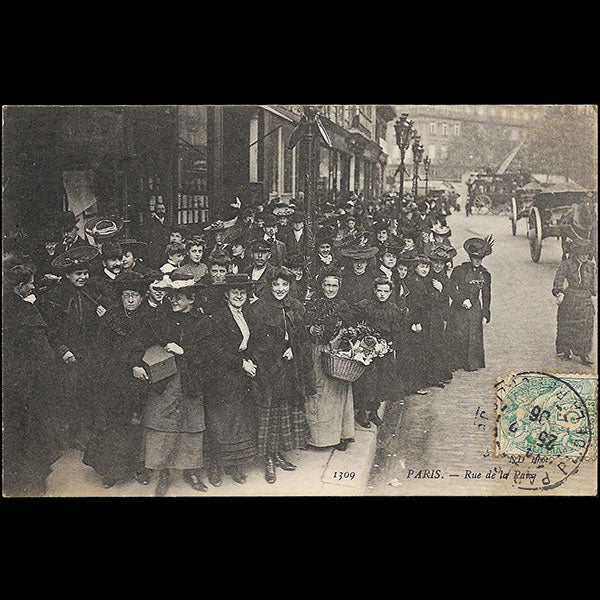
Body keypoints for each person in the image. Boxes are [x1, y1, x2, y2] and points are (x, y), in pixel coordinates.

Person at [129, 270, 213, 496]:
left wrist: (183, 350)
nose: (173, 300)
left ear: (191, 298)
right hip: (165, 381)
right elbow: (140, 341)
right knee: (161, 425)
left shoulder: (203, 322)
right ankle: (164, 472)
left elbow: (209, 354)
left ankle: (191, 471)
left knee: (191, 425)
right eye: (171, 295)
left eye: (179, 296)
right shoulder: (159, 318)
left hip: (191, 380)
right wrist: (135, 363)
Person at [82, 271, 151, 488]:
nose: (130, 300)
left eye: (135, 296)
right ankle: (111, 471)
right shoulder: (111, 317)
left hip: (141, 378)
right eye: (126, 295)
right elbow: (101, 349)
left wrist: (140, 365)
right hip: (115, 379)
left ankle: (138, 467)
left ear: (142, 297)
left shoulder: (150, 317)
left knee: (139, 425)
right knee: (114, 424)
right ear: (121, 297)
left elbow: (154, 346)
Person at [250, 267, 315, 483]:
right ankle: (268, 458)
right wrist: (277, 352)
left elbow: (303, 338)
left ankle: (278, 454)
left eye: (284, 285)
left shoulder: (295, 306)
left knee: (283, 412)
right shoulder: (259, 309)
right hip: (268, 369)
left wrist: (293, 348)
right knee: (268, 413)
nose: (280, 289)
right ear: (270, 285)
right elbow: (256, 343)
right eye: (276, 284)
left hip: (288, 370)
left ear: (290, 286)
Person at [38, 246, 106, 450]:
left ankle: (91, 436)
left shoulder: (92, 292)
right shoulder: (56, 296)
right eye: (78, 274)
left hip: (91, 353)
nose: (83, 277)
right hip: (69, 356)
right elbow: (50, 330)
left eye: (86, 273)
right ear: (67, 274)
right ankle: (73, 436)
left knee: (91, 393)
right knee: (70, 395)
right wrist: (63, 350)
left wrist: (103, 317)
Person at [2, 263, 62, 495]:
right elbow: (44, 353)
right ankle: (32, 485)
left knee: (12, 434)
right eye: (30, 283)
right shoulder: (27, 311)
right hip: (29, 383)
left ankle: (11, 484)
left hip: (9, 382)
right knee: (32, 433)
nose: (33, 286)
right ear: (19, 287)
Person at [204, 274, 259, 486]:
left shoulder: (248, 314)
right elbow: (215, 351)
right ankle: (215, 468)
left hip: (240, 377)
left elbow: (253, 343)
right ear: (226, 294)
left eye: (242, 292)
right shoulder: (217, 317)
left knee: (238, 423)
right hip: (221, 376)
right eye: (234, 291)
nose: (238, 295)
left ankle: (234, 465)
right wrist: (241, 363)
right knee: (220, 424)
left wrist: (250, 362)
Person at [304, 271, 356, 450]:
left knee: (337, 395)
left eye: (334, 286)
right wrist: (311, 330)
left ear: (339, 287)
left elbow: (350, 328)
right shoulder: (313, 304)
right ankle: (315, 437)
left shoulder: (343, 306)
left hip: (336, 356)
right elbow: (304, 325)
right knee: (317, 393)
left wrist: (341, 335)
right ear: (322, 286)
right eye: (327, 285)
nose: (330, 289)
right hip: (317, 353)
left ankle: (340, 435)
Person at [353, 277, 406, 427]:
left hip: (384, 350)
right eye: (379, 291)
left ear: (390, 293)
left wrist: (390, 344)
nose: (382, 294)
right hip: (367, 349)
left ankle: (374, 411)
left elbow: (397, 331)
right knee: (367, 382)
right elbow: (355, 320)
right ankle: (362, 412)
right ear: (374, 291)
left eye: (386, 291)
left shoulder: (394, 310)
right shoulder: (367, 306)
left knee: (382, 381)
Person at [447, 236, 493, 372]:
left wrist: (486, 313)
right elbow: (450, 288)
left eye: (480, 258)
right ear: (470, 257)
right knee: (457, 333)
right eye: (475, 258)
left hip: (475, 307)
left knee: (473, 334)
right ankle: (455, 362)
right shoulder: (459, 271)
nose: (477, 261)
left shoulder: (485, 274)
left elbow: (486, 294)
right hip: (458, 307)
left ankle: (472, 362)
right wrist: (461, 300)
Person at [552, 238, 596, 365]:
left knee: (586, 326)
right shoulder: (566, 264)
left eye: (586, 254)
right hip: (570, 298)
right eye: (582, 254)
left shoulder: (590, 266)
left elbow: (594, 284)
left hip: (585, 300)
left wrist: (593, 291)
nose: (584, 257)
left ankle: (584, 353)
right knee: (567, 324)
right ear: (576, 253)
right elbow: (559, 278)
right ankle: (566, 349)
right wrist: (558, 292)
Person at [427, 247, 454, 385]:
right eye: (436, 262)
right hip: (427, 314)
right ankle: (430, 376)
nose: (438, 266)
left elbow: (446, 299)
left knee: (438, 344)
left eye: (441, 263)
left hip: (438, 315)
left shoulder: (444, 279)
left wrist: (441, 289)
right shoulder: (427, 276)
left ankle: (439, 374)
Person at [142, 200, 170, 267]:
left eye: (163, 209)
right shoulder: (150, 223)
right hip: (155, 250)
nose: (161, 211)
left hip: (166, 249)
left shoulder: (167, 222)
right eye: (159, 209)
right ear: (155, 211)